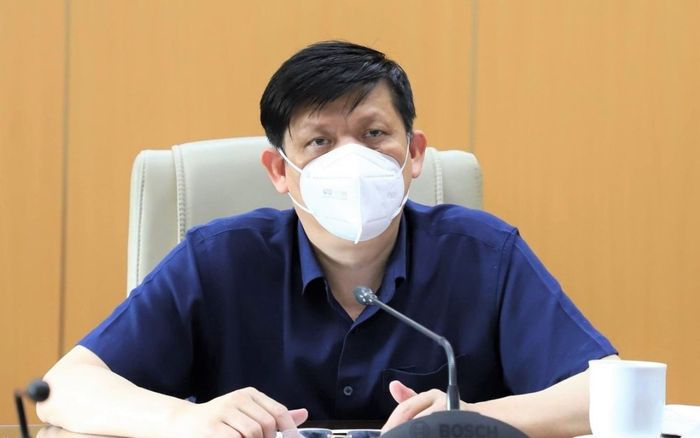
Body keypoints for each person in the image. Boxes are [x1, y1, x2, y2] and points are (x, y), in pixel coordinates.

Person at [37, 41, 617, 438]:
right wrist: (188, 421)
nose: (352, 160)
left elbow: (606, 391)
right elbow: (62, 387)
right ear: (279, 170)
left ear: (414, 154)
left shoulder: (484, 254)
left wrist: (472, 420)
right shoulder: (219, 259)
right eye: (319, 142)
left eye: (375, 133)